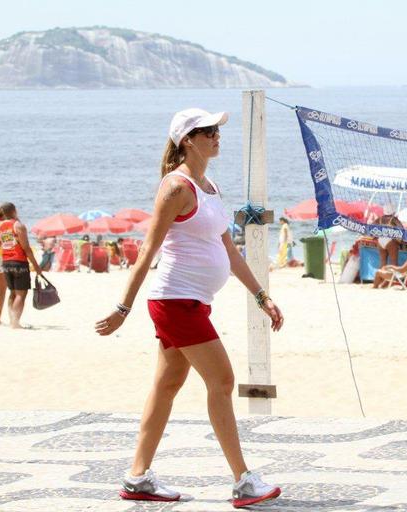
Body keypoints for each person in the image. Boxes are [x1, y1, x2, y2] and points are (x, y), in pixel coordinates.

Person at [94, 108, 284, 508]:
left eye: (217, 130)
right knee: (223, 381)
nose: (217, 136)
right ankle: (244, 481)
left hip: (194, 303)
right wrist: (122, 308)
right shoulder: (175, 188)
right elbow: (149, 249)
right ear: (187, 140)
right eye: (208, 131)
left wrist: (261, 296)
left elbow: (228, 250)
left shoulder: (209, 185)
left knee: (166, 386)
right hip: (174, 302)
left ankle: (137, 477)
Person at [0, 203, 44, 329]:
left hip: (6, 263)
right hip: (19, 263)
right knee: (21, 294)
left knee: (12, 293)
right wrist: (36, 267)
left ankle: (12, 320)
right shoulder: (18, 226)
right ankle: (15, 323)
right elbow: (27, 249)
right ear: (14, 211)